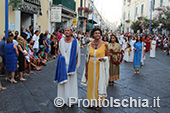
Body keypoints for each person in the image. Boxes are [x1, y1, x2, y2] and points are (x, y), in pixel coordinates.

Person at [81, 28, 109, 110]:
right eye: (96, 33)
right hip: (90, 66)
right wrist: (86, 71)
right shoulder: (89, 45)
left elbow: (107, 56)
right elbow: (87, 58)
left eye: (99, 33)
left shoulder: (105, 44)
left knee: (99, 84)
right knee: (90, 85)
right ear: (93, 34)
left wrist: (103, 58)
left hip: (100, 66)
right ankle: (90, 102)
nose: (97, 35)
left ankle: (98, 103)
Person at [54, 27, 81, 106]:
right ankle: (62, 99)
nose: (66, 32)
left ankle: (70, 99)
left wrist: (75, 66)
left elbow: (77, 54)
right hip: (62, 65)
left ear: (71, 32)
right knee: (62, 83)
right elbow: (59, 51)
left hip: (71, 66)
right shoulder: (61, 41)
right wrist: (61, 56)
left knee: (71, 83)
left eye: (68, 30)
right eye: (65, 30)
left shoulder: (75, 42)